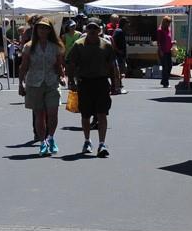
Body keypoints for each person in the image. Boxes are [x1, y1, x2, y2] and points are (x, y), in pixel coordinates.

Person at [67, 21, 120, 156]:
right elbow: (71, 63)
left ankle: (102, 143)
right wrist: (71, 81)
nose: (92, 30)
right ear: (86, 30)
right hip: (84, 83)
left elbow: (112, 66)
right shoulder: (79, 45)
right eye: (89, 28)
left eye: (95, 28)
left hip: (101, 82)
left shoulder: (106, 45)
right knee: (85, 115)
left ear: (99, 31)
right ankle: (87, 140)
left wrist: (114, 84)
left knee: (102, 113)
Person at [19, 17, 65, 156]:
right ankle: (42, 142)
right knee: (39, 115)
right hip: (34, 82)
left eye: (45, 28)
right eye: (40, 28)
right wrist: (21, 83)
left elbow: (59, 65)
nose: (42, 30)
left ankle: (50, 137)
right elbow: (24, 66)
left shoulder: (55, 46)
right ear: (36, 30)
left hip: (51, 81)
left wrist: (63, 77)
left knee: (52, 113)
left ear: (49, 30)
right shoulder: (29, 46)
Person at [109, 15, 128, 90]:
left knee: (122, 70)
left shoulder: (121, 31)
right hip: (118, 55)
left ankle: (118, 84)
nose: (128, 25)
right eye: (127, 23)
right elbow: (112, 40)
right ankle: (117, 85)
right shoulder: (118, 31)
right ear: (124, 23)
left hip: (121, 55)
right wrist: (117, 50)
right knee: (119, 70)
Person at [156, 17, 175, 87]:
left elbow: (168, 40)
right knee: (165, 67)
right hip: (163, 51)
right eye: (168, 23)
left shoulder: (168, 30)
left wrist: (172, 42)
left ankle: (164, 81)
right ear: (165, 22)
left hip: (168, 50)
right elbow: (159, 42)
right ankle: (165, 83)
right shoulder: (160, 30)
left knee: (170, 66)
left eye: (170, 23)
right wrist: (160, 50)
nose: (169, 24)